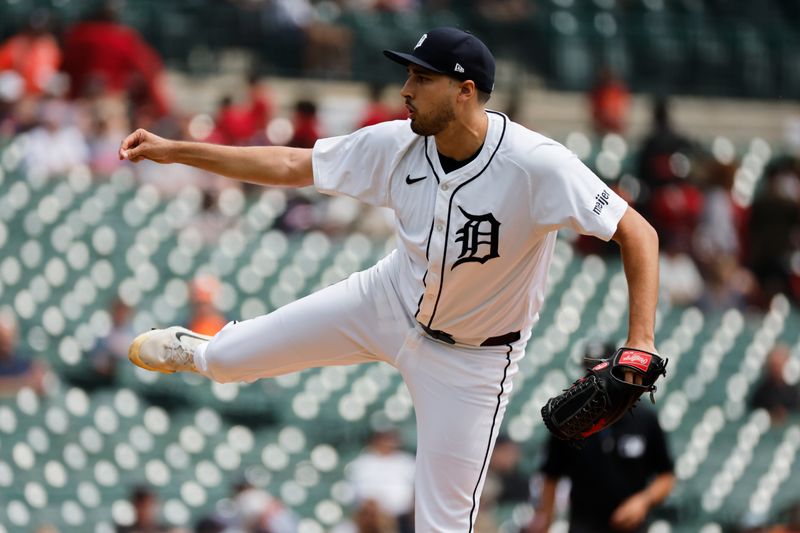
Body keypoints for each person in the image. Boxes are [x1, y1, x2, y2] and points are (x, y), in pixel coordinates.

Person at [120, 27, 660, 532]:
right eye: (408, 75)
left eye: (422, 79)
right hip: (386, 301)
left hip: (472, 362)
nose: (406, 89)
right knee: (226, 362)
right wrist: (175, 151)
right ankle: (198, 351)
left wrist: (639, 342)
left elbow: (638, 234)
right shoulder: (395, 144)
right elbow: (290, 164)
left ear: (465, 91)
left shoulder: (537, 165)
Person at [346, 429, 415, 532]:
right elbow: (353, 492)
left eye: (390, 438)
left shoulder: (407, 461)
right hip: (371, 519)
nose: (388, 442)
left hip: (402, 519)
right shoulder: (362, 463)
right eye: (384, 438)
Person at [750, 343, 800, 425]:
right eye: (774, 365)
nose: (777, 369)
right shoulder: (761, 393)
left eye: (779, 365)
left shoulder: (795, 392)